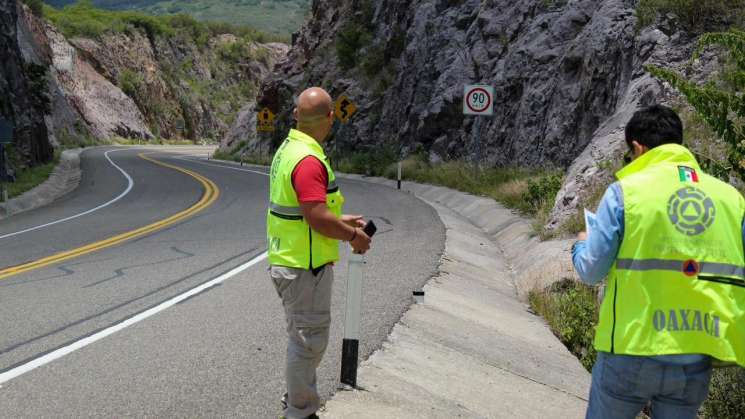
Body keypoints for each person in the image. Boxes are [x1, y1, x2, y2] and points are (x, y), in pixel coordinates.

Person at [572, 105, 745, 419]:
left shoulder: (625, 193)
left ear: (638, 148)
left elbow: (591, 269)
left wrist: (580, 246)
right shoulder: (732, 200)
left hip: (630, 349)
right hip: (695, 355)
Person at [267, 87, 371, 419]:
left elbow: (302, 210)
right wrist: (353, 235)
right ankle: (300, 411)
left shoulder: (289, 148)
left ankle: (296, 400)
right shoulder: (310, 160)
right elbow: (315, 216)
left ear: (296, 116)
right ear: (330, 118)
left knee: (304, 337)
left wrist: (337, 219)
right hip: (304, 267)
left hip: (289, 260)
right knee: (308, 341)